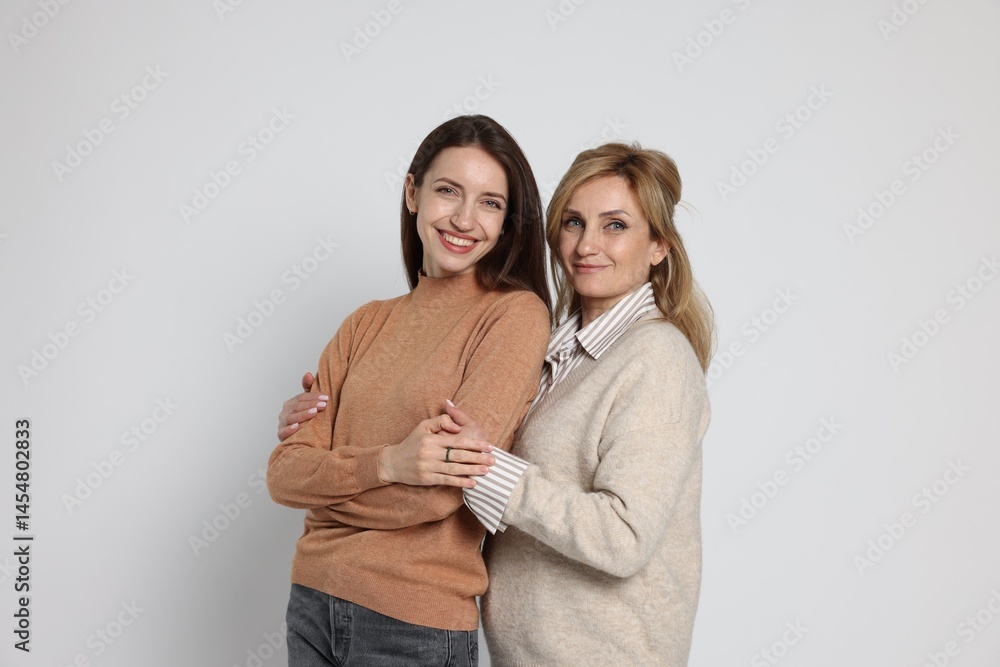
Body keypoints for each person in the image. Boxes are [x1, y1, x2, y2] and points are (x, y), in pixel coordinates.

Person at [279, 142, 714, 666]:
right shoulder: (560, 356)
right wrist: (346, 433)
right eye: (574, 222)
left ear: (659, 246)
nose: (587, 244)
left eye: (615, 225)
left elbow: (623, 537)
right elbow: (290, 473)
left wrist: (480, 470)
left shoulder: (657, 356)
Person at [266, 114, 552, 666]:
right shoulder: (364, 323)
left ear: (507, 223)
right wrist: (390, 464)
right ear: (412, 193)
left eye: (490, 203)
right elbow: (285, 474)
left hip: (412, 624)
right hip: (311, 603)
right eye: (448, 191)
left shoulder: (513, 317)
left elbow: (441, 493)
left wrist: (329, 493)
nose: (464, 219)